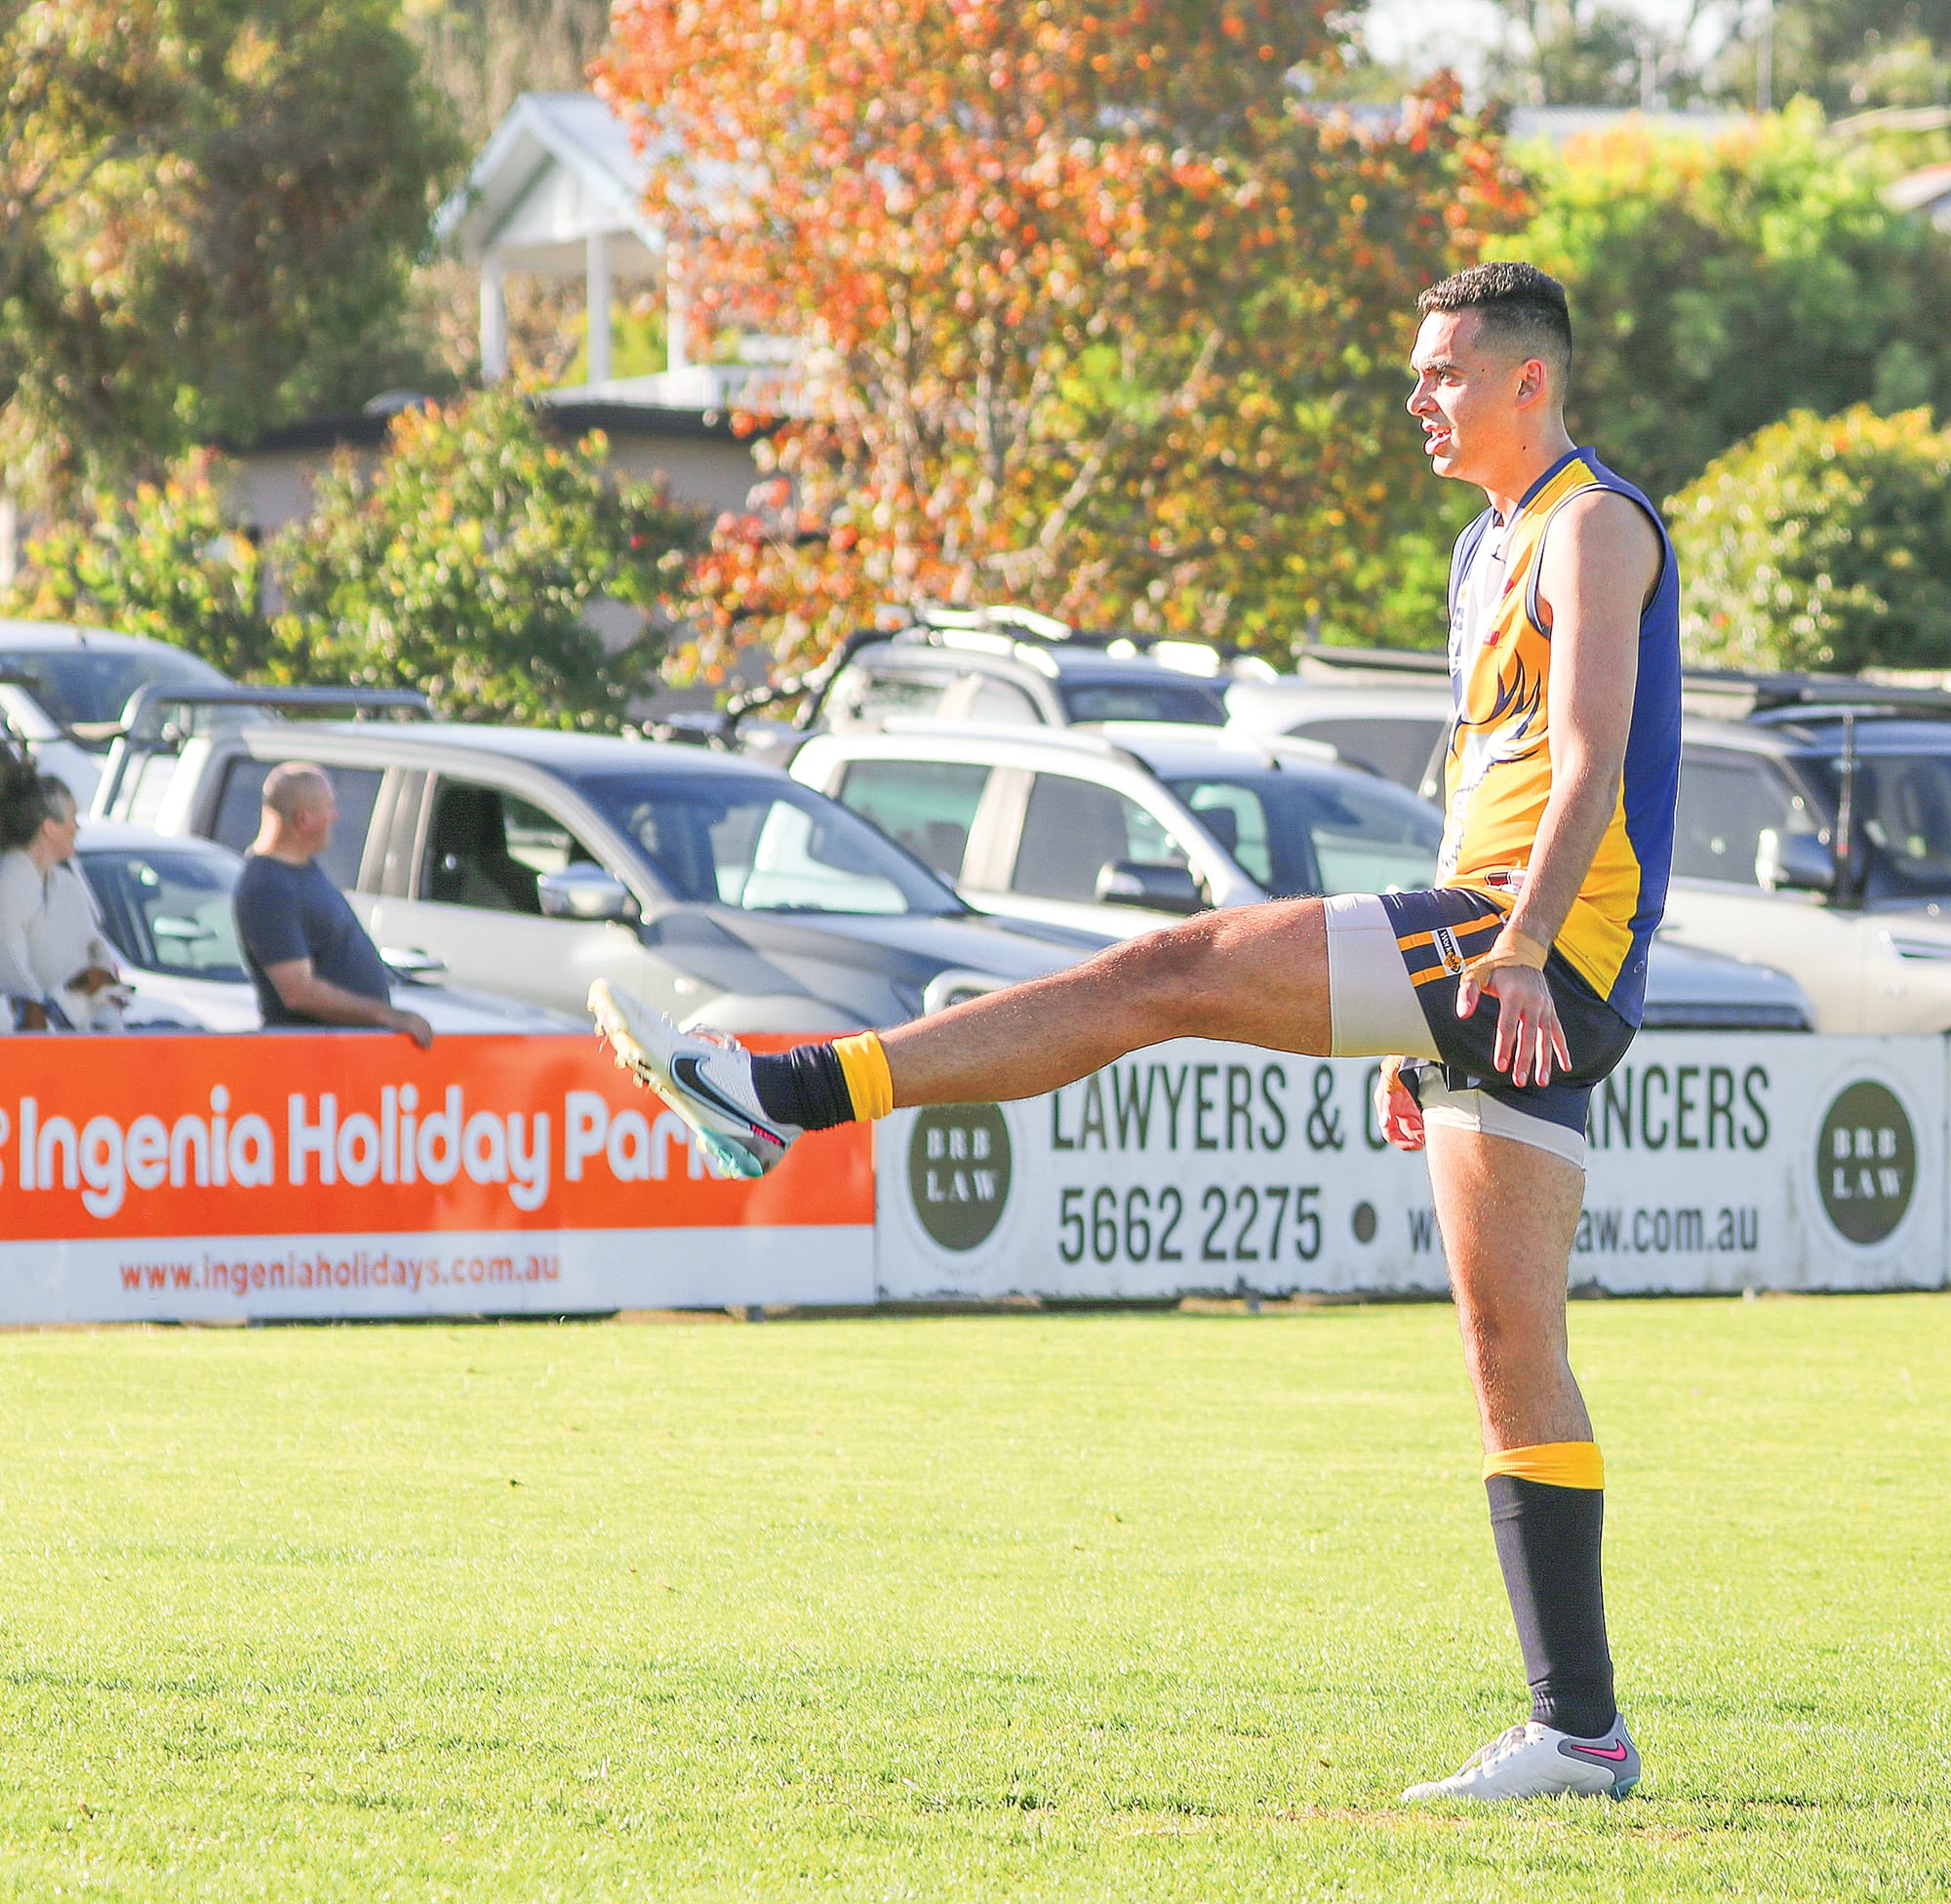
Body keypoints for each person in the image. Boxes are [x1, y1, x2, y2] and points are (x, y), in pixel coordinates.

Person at [591, 260, 1677, 1805]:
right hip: (1492, 963)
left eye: (1443, 373)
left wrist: (1498, 956)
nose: (1417, 400)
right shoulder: (1482, 550)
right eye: (1416, 373)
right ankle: (1583, 1733)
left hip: (1529, 950)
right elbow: (1485, 793)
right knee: (1511, 1354)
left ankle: (793, 1093)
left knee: (1159, 974)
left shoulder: (1592, 522)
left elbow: (1585, 765)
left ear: (1529, 383)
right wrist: (1412, 1019)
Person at [234, 761, 433, 1048]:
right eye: (329, 808)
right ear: (305, 819)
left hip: (342, 1053)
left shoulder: (300, 870)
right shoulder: (268, 887)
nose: (336, 816)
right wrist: (386, 1015)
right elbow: (297, 991)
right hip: (311, 1058)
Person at [21, 776, 127, 1030]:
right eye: (72, 819)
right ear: (49, 827)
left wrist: (103, 987)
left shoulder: (68, 886)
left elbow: (96, 954)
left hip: (79, 1036)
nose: (77, 829)